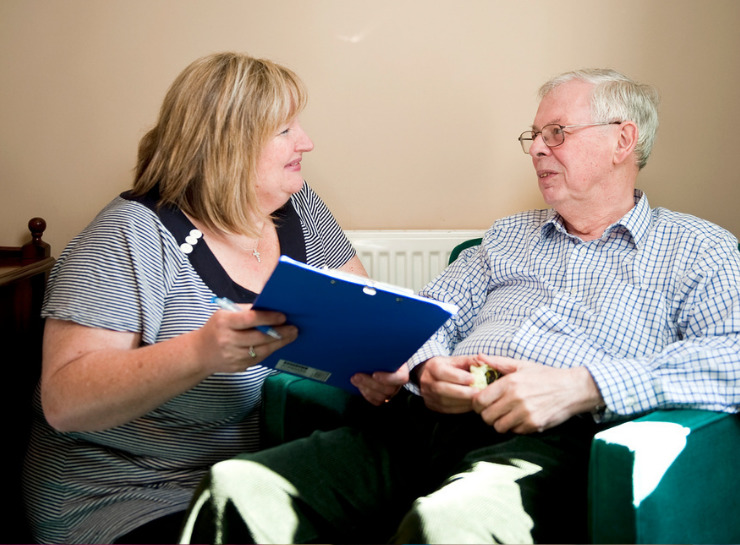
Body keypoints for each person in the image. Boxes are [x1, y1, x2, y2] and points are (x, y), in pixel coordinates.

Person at [179, 68, 740, 544]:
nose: (538, 147)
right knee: (238, 488)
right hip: (422, 427)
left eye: (558, 132)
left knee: (449, 527)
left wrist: (585, 385)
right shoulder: (506, 238)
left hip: (549, 449)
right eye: (536, 134)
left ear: (623, 141)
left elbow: (732, 356)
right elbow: (430, 311)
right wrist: (426, 369)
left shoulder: (700, 250)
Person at [22, 52, 367, 544]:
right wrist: (201, 352)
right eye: (285, 130)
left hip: (252, 478)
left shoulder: (298, 207)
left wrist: (378, 364)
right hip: (128, 494)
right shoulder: (130, 235)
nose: (306, 142)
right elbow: (65, 401)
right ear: (226, 144)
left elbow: (358, 314)